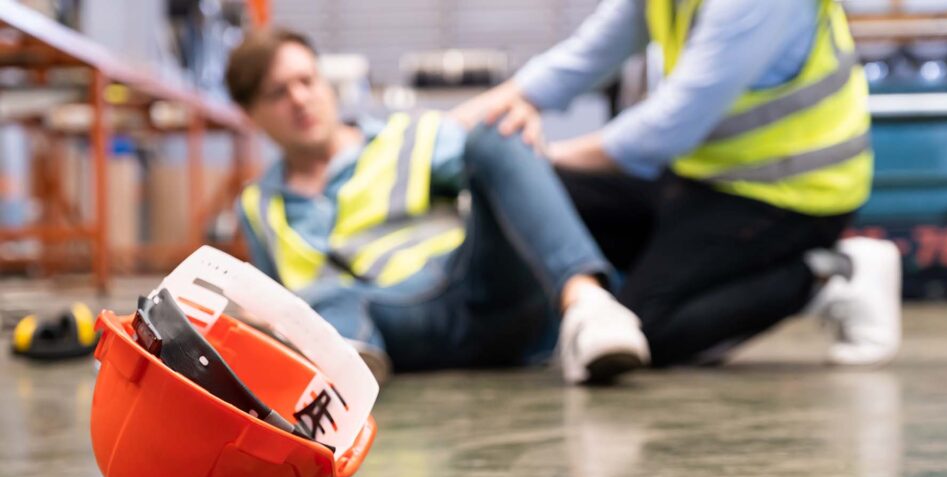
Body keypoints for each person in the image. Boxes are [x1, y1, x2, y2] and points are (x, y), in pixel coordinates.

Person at [457, 0, 902, 367]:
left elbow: (669, 126)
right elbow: (583, 58)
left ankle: (827, 276)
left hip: (790, 196)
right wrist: (450, 130)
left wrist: (535, 158)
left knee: (643, 333)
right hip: (703, 177)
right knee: (545, 197)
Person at [224, 28, 650, 384]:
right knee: (330, 300)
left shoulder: (410, 138)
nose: (300, 99)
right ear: (250, 114)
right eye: (278, 92)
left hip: (475, 286)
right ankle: (346, 381)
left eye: (307, 81)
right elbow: (276, 303)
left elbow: (503, 165)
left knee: (499, 130)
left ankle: (587, 307)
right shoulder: (258, 206)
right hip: (387, 328)